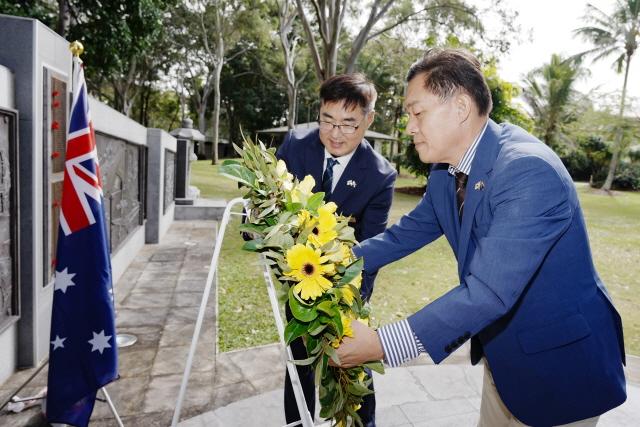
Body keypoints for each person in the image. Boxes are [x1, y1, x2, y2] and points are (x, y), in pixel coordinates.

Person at [334, 48, 627, 427]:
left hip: (561, 366)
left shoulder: (527, 171)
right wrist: (337, 262)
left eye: (416, 112)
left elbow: (488, 292)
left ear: (459, 108)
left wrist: (381, 344)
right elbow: (407, 233)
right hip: (504, 363)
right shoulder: (447, 168)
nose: (409, 126)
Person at [277, 73, 397, 427]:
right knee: (298, 365)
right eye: (327, 120)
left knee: (355, 365)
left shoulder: (379, 176)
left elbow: (372, 247)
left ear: (368, 120)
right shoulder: (295, 147)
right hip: (300, 281)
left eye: (348, 124)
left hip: (346, 288)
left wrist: (349, 306)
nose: (335, 133)